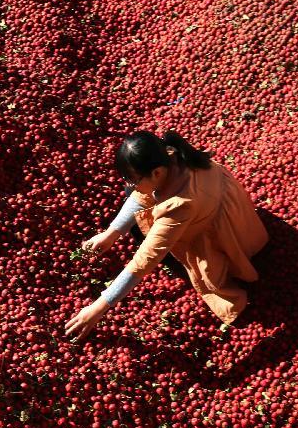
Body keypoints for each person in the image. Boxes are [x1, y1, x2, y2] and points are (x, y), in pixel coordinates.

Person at [65, 130, 270, 342]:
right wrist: (111, 233)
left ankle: (222, 266)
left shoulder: (180, 206)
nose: (130, 185)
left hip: (222, 234)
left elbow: (146, 259)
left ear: (156, 173)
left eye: (133, 179)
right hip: (231, 211)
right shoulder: (171, 153)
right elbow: (142, 195)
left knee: (142, 231)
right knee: (133, 205)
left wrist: (98, 307)